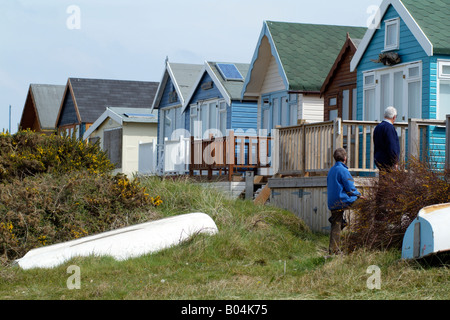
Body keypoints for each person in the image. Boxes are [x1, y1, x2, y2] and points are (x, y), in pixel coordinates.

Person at [327, 148, 363, 254]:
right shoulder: (343, 170)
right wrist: (359, 196)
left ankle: (333, 251)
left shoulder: (331, 170)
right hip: (342, 201)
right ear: (345, 158)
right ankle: (364, 233)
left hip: (332, 202)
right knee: (365, 204)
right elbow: (350, 188)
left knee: (336, 223)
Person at [373, 106, 400, 171]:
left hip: (379, 159)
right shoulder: (390, 128)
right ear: (394, 117)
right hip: (388, 161)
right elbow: (392, 145)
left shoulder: (378, 127)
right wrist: (395, 161)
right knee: (389, 180)